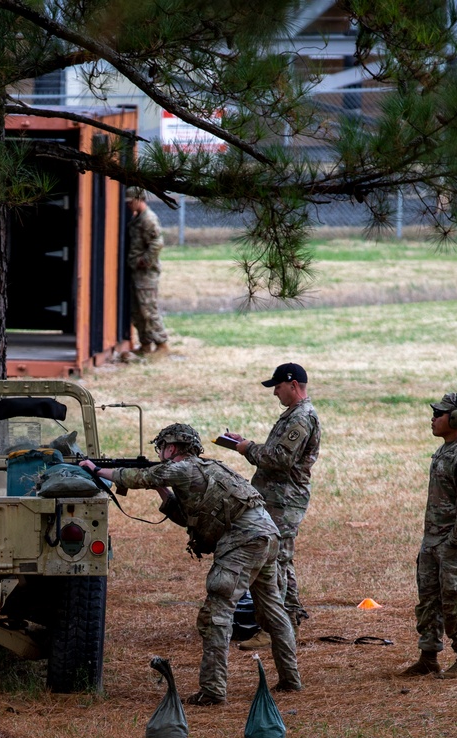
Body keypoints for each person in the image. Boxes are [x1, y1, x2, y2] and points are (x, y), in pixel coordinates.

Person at [82, 423, 300, 704]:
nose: (160, 453)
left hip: (244, 540)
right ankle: (290, 678)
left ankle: (212, 691)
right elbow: (191, 515)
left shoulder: (182, 468)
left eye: (161, 448)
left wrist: (97, 470)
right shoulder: (207, 469)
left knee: (216, 615)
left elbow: (141, 477)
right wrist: (163, 492)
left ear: (171, 448)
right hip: (266, 536)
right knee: (272, 610)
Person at [223, 361, 320, 628]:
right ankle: (286, 621)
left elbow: (280, 459)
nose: (275, 393)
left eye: (277, 387)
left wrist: (246, 448)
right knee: (280, 560)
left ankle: (277, 628)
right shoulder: (293, 415)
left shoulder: (300, 418)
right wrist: (244, 444)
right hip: (277, 498)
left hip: (285, 501)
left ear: (293, 385)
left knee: (276, 561)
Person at [402, 391, 457, 678]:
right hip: (434, 540)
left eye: (439, 414)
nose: (433, 418)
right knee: (428, 599)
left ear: (456, 419)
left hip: (455, 544)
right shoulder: (446, 450)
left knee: (456, 600)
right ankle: (428, 656)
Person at [125, 188, 169, 358]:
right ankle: (145, 345)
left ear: (139, 199)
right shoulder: (137, 218)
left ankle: (161, 343)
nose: (128, 205)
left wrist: (145, 261)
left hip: (146, 274)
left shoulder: (148, 219)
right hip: (137, 272)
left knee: (149, 309)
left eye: (130, 201)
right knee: (137, 310)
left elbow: (157, 242)